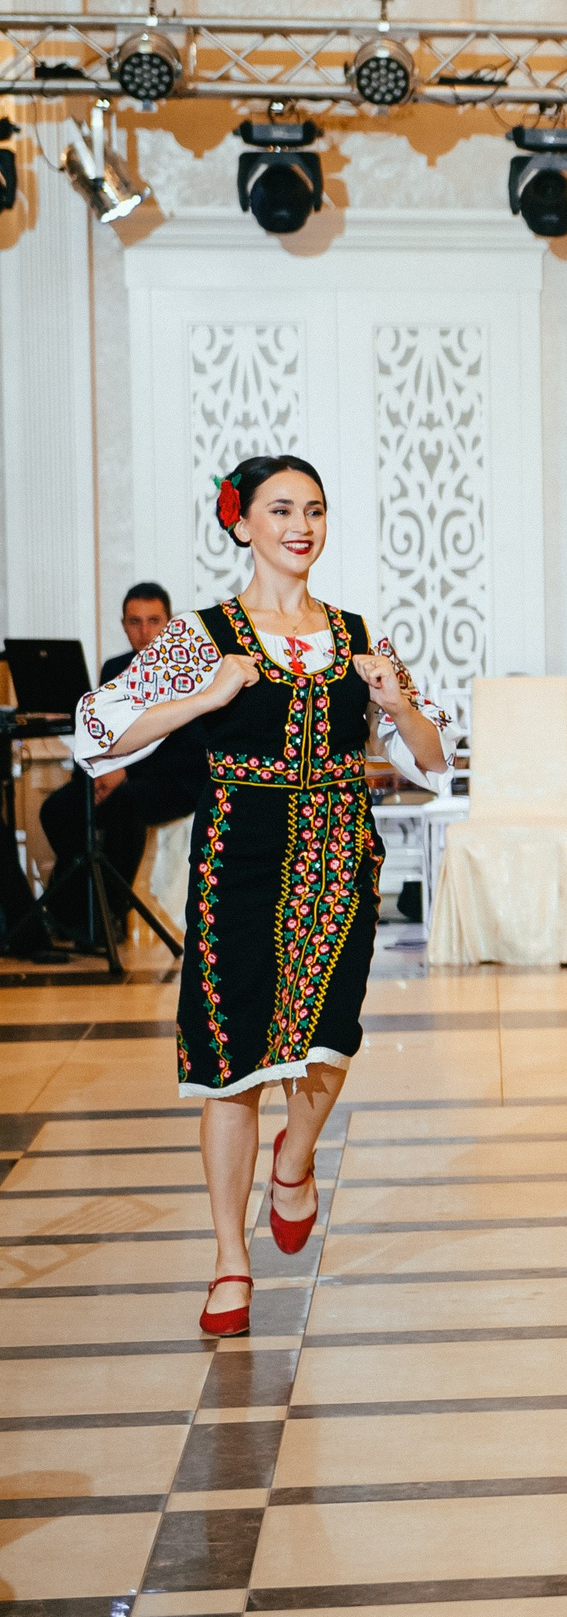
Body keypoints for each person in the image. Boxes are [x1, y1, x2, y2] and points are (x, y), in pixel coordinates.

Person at [72, 456, 449, 1338]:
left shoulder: (359, 636)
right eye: (281, 509)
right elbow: (99, 735)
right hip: (238, 857)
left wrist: (397, 702)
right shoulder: (203, 634)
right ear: (241, 523)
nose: (301, 525)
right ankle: (229, 1261)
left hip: (336, 853)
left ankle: (298, 1160)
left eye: (314, 509)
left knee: (329, 1042)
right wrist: (204, 695)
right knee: (232, 1068)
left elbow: (430, 761)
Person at [36, 583, 210, 945]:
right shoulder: (115, 668)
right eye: (135, 622)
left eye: (153, 621)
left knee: (124, 806)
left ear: (170, 623)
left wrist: (124, 773)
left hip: (177, 781)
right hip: (115, 776)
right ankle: (79, 907)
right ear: (123, 624)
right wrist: (98, 776)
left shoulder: (192, 672)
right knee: (57, 810)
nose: (144, 632)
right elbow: (99, 734)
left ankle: (106, 916)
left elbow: (190, 749)